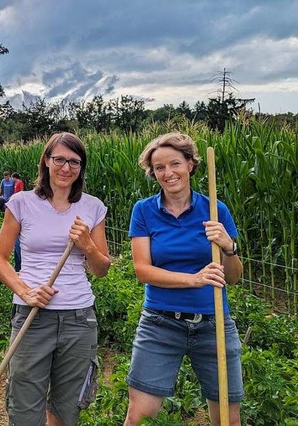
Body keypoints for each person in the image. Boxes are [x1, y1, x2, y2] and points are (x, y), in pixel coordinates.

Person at [124, 132, 244, 426]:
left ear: (190, 164)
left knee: (228, 419)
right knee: (138, 417)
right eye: (159, 168)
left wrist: (229, 248)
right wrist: (194, 279)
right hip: (160, 323)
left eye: (175, 163)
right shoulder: (144, 211)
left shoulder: (215, 209)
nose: (168, 173)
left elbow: (234, 277)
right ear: (153, 173)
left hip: (213, 321)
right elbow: (143, 270)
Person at [0, 132, 111, 426]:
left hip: (79, 318)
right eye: (59, 159)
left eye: (74, 162)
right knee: (24, 404)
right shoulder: (21, 202)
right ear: (46, 161)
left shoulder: (92, 207)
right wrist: (26, 291)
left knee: (67, 407)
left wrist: (87, 245)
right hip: (32, 315)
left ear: (81, 168)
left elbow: (101, 268)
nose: (66, 168)